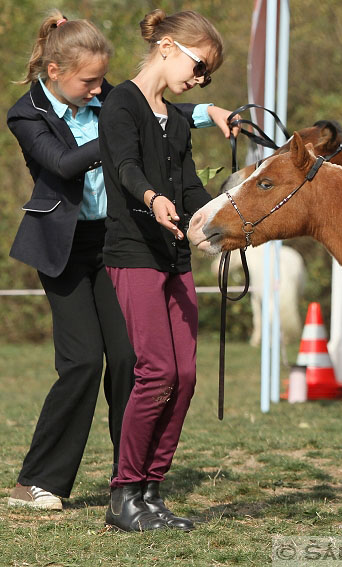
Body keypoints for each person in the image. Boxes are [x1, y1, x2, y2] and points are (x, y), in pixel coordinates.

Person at [6, 11, 237, 512]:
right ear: (54, 73)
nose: (96, 89)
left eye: (100, 81)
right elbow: (65, 163)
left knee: (132, 361)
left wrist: (210, 109)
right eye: (88, 81)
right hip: (63, 246)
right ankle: (37, 479)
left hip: (116, 239)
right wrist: (120, 134)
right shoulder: (25, 114)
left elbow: (156, 110)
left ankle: (126, 480)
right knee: (83, 361)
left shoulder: (111, 99)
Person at [98, 8, 224, 532]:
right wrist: (153, 198)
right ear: (168, 46)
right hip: (132, 252)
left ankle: (151, 491)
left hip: (174, 256)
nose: (199, 80)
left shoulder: (174, 120)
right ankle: (123, 492)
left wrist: (224, 215)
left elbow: (191, 186)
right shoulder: (119, 105)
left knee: (186, 374)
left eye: (207, 77)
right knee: (157, 373)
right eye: (199, 67)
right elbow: (125, 167)